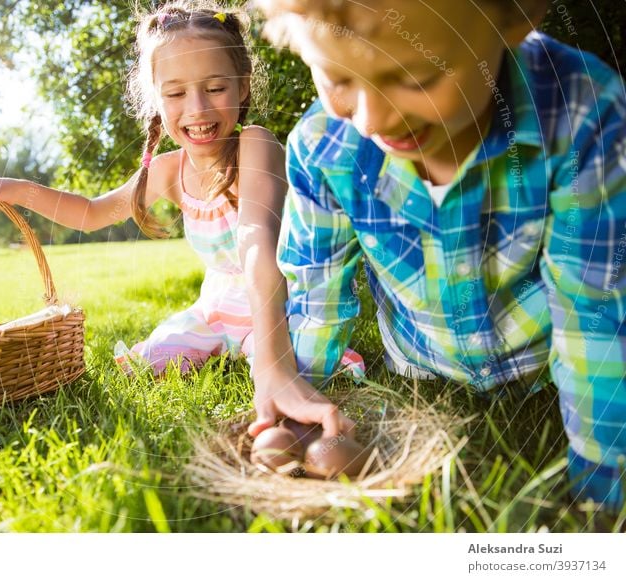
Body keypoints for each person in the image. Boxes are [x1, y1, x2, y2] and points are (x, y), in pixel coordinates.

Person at [253, 0, 626, 509]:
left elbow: (597, 316)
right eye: (337, 78)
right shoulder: (323, 146)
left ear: (518, 15)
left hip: (539, 363)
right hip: (421, 366)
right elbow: (317, 295)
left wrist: (606, 499)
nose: (371, 118)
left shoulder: (580, 115)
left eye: (417, 77)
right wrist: (300, 418)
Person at [0, 3, 364, 385]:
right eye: (176, 94)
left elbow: (255, 238)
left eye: (215, 88)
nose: (198, 108)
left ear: (242, 88)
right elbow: (91, 213)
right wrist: (12, 190)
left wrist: (275, 363)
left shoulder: (256, 145)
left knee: (302, 370)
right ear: (156, 99)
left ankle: (270, 354)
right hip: (216, 311)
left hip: (275, 303)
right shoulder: (170, 169)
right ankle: (222, 346)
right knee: (148, 360)